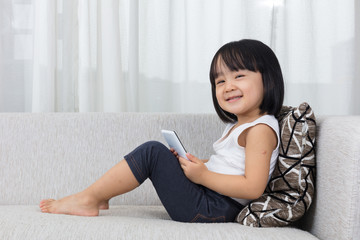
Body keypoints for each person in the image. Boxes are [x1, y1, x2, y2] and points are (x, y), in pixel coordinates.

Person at [40, 39, 284, 223]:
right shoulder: (239, 126)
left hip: (214, 209)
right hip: (210, 198)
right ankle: (101, 195)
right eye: (220, 81)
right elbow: (233, 165)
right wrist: (201, 165)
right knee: (164, 155)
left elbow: (253, 187)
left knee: (153, 153)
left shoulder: (261, 129)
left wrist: (203, 176)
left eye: (239, 76)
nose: (228, 86)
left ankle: (87, 199)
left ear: (268, 80)